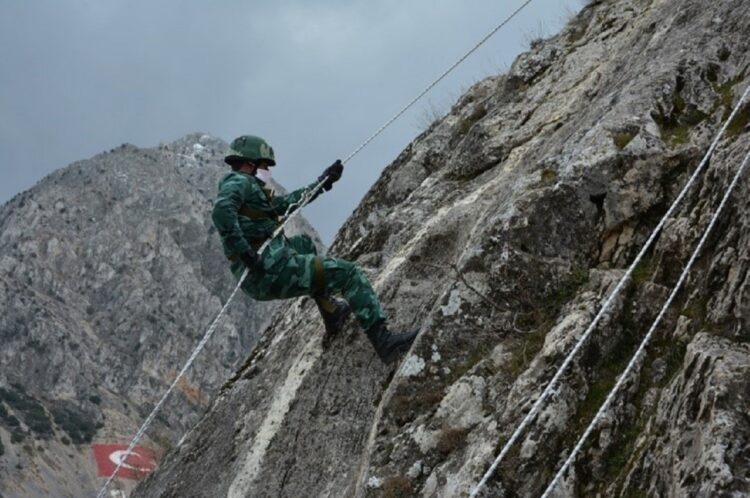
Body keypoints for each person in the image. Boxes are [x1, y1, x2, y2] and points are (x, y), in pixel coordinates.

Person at [211, 135, 417, 364]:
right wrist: (244, 251)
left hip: (261, 273)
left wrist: (322, 182)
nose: (267, 170)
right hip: (267, 270)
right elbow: (221, 212)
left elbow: (287, 204)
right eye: (264, 165)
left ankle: (332, 312)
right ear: (250, 163)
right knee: (348, 273)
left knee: (303, 244)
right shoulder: (239, 182)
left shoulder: (251, 190)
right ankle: (386, 343)